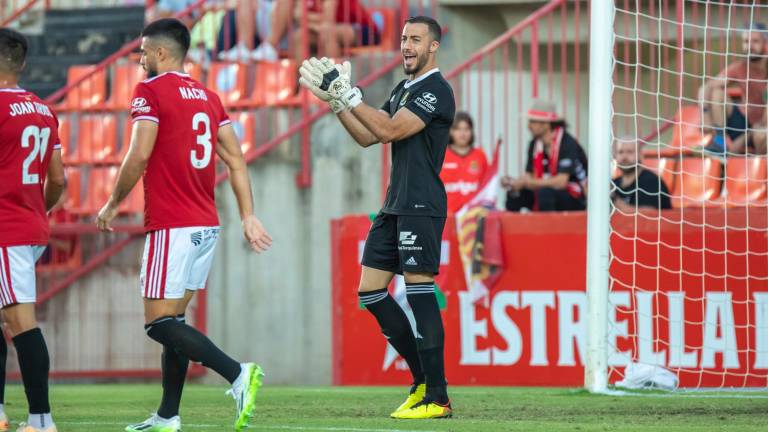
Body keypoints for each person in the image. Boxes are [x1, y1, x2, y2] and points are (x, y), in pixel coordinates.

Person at [95, 19, 273, 432]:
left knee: (158, 323)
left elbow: (139, 155)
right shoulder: (210, 98)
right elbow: (236, 159)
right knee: (173, 321)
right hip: (206, 225)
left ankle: (236, 373)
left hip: (172, 224)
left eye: (142, 52)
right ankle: (168, 416)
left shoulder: (149, 92)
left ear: (160, 53)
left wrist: (110, 203)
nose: (139, 60)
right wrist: (247, 214)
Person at [298, 16, 453, 419]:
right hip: (394, 204)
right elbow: (368, 135)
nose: (407, 46)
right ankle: (420, 381)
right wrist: (337, 104)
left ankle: (438, 397)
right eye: (403, 39)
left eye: (416, 40)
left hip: (420, 204)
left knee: (420, 292)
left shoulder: (436, 91)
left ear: (433, 47)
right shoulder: (404, 87)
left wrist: (348, 95)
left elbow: (389, 130)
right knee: (370, 291)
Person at [0, 28, 66, 432]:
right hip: (27, 224)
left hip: (4, 230)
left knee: (21, 321)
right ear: (21, 64)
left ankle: (41, 420)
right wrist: (33, 209)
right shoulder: (43, 108)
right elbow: (57, 180)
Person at [225, 0, 380, 63]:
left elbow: (325, 20)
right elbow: (299, 17)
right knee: (300, 37)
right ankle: (306, 87)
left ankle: (338, 85)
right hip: (325, 27)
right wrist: (304, 19)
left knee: (327, 32)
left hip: (363, 30)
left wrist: (304, 18)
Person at [502, 100, 587, 212]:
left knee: (545, 194)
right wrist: (514, 183)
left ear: (546, 124)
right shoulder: (534, 144)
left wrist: (529, 182)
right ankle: (517, 228)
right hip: (547, 193)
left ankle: (549, 228)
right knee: (515, 195)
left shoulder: (567, 143)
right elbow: (529, 176)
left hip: (574, 196)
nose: (528, 126)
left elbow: (561, 182)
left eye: (532, 121)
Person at [700, 23, 768, 155]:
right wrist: (706, 117)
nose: (749, 46)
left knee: (761, 133)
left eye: (755, 41)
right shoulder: (740, 67)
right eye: (746, 41)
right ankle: (720, 142)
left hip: (763, 127)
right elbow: (707, 87)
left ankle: (758, 168)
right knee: (716, 92)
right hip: (743, 122)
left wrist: (752, 133)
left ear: (765, 43)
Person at [440, 111, 488, 213]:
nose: (463, 133)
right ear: (451, 131)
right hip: (447, 217)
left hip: (473, 217)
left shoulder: (480, 155)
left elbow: (487, 186)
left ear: (471, 131)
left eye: (466, 129)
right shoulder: (441, 155)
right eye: (458, 129)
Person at [612, 139, 672, 212]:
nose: (624, 157)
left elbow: (649, 215)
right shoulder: (615, 183)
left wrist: (613, 197)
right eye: (620, 152)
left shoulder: (652, 182)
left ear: (640, 155)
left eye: (630, 152)